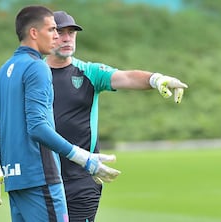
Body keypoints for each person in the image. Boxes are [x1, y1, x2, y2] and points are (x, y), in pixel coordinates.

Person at [44, 11, 189, 222]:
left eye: (72, 33)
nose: (67, 38)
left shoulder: (89, 72)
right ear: (46, 36)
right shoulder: (33, 75)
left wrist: (156, 79)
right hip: (42, 178)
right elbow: (7, 121)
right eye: (60, 33)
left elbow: (127, 77)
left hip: (82, 179)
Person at [0, 5, 120, 222]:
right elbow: (37, 127)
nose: (57, 36)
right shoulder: (37, 67)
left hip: (16, 182)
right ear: (33, 33)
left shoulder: (5, 70)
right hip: (42, 178)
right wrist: (83, 158)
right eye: (51, 30)